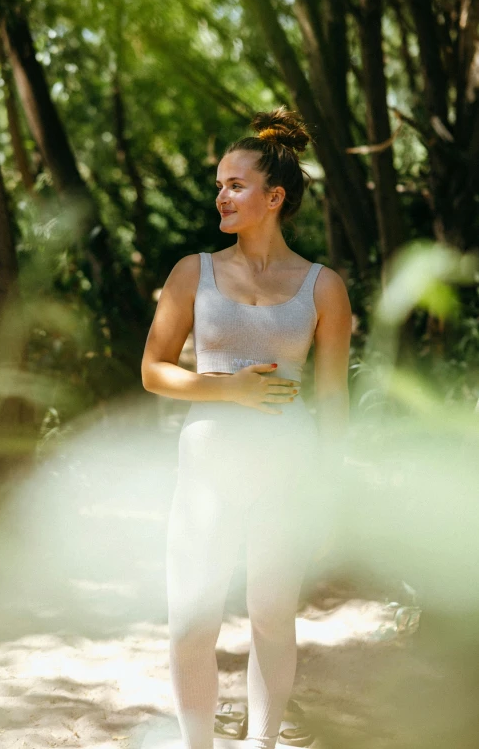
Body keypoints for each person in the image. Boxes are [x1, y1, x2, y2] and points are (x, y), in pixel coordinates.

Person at [141, 107, 352, 749]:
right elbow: (153, 370)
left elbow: (333, 405)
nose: (221, 196)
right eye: (218, 185)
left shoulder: (324, 288)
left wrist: (334, 496)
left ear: (274, 196)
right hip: (206, 468)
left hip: (286, 469)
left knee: (271, 617)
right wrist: (225, 388)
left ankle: (262, 743)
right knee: (191, 623)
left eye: (235, 184)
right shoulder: (192, 273)